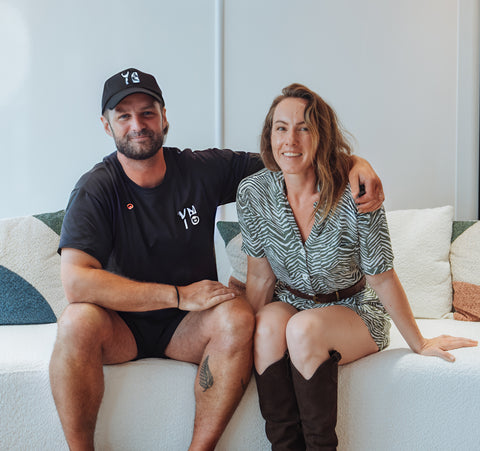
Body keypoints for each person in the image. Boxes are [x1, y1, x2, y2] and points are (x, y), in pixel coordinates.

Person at [49, 69, 385, 451]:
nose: (137, 124)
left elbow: (287, 157)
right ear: (106, 125)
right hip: (120, 326)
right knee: (75, 321)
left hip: (187, 328)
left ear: (164, 117)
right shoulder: (95, 188)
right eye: (124, 115)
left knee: (237, 316)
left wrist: (353, 162)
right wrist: (177, 295)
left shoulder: (199, 168)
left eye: (147, 113)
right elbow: (76, 282)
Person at [236, 83, 478, 451]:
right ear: (269, 136)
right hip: (291, 302)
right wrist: (241, 346)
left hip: (352, 309)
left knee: (302, 329)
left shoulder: (357, 189)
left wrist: (420, 342)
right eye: (281, 128)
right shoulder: (253, 192)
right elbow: (259, 276)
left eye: (304, 128)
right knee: (267, 326)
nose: (291, 140)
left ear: (321, 136)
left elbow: (381, 276)